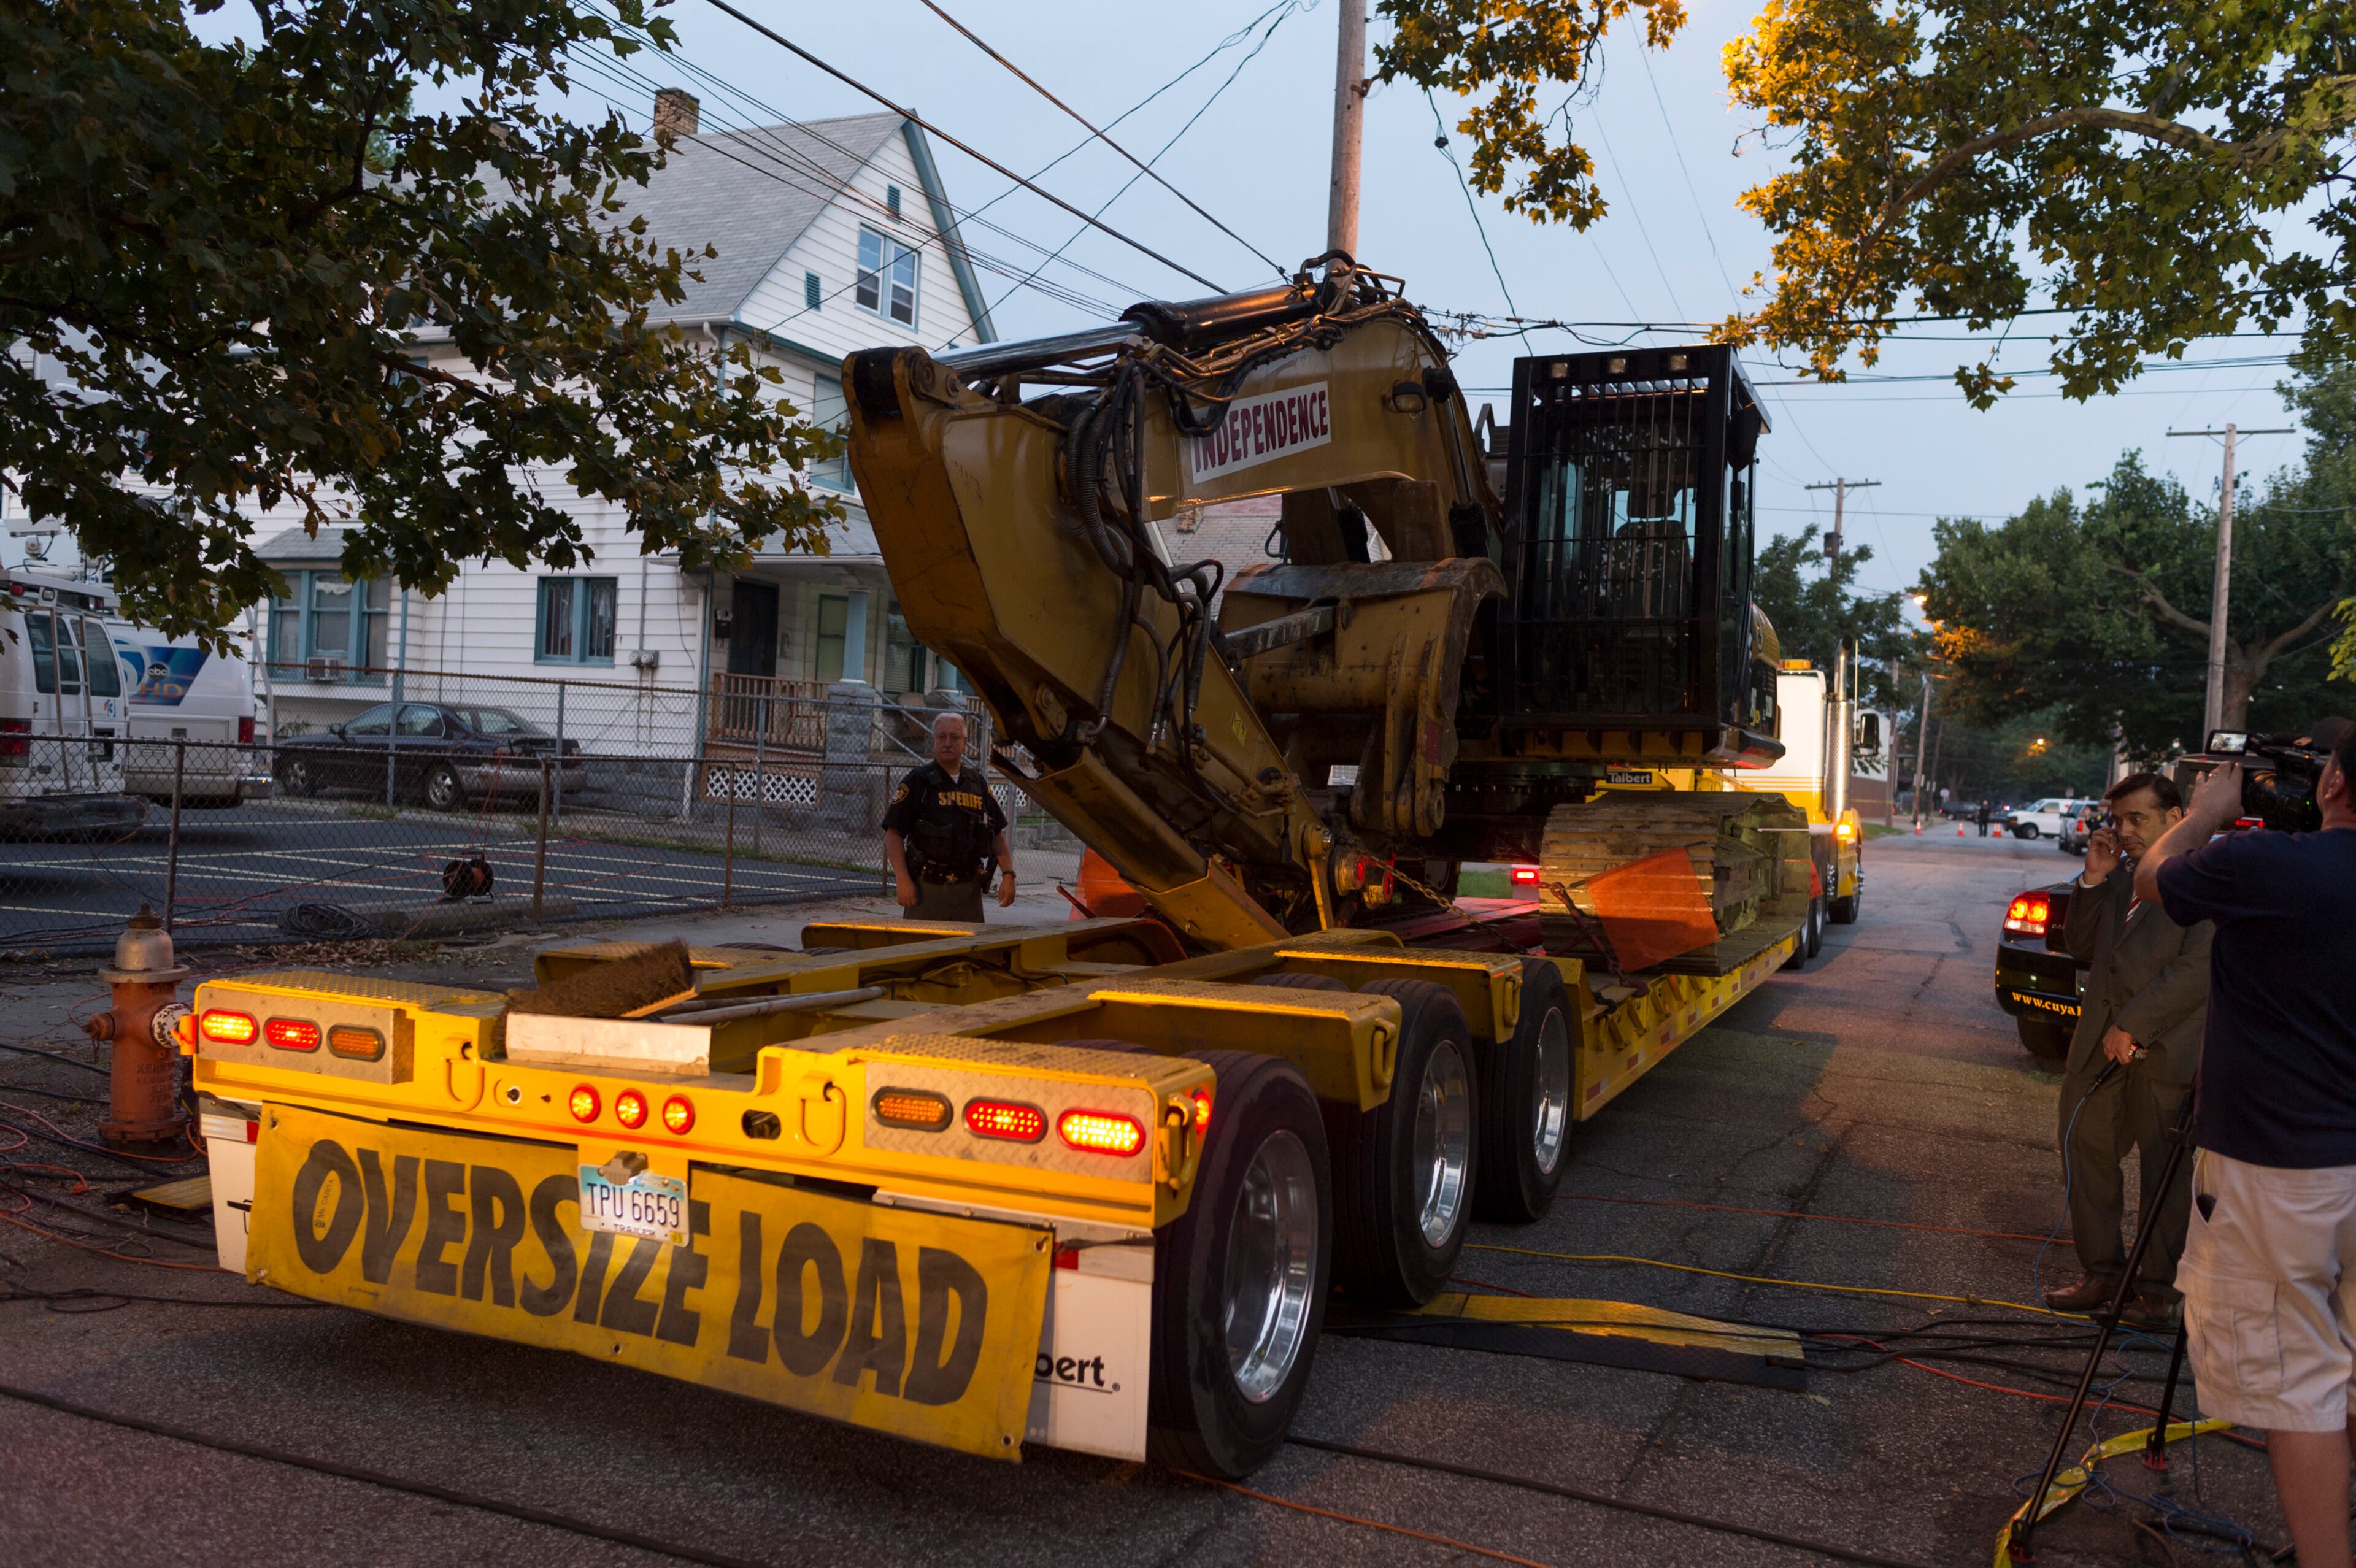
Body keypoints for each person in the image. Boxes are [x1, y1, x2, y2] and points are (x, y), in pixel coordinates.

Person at [2133, 717, 2356, 1568]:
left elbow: (2155, 881)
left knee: (2300, 1387)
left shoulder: (2265, 868)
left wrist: (2205, 812)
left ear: (2331, 785)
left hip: (2279, 1172)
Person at [2040, 773, 2211, 1324]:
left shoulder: (2203, 875)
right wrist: (2093, 881)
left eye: (2138, 819)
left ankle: (2157, 1290)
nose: (2125, 830)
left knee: (2165, 1171)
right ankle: (2103, 1273)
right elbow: (2083, 948)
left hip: (2165, 1046)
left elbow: (2198, 968)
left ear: (2177, 817)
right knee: (2085, 1145)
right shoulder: (2123, 874)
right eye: (2119, 820)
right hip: (2100, 1045)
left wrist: (2135, 1025)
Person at [880, 712, 1017, 922]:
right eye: (941, 737)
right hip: (927, 888)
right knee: (923, 950)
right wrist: (902, 879)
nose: (947, 743)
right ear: (934, 740)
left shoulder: (977, 784)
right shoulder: (918, 782)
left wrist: (1009, 875)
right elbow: (893, 834)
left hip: (968, 891)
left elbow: (996, 833)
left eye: (954, 737)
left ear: (965, 742)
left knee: (969, 950)